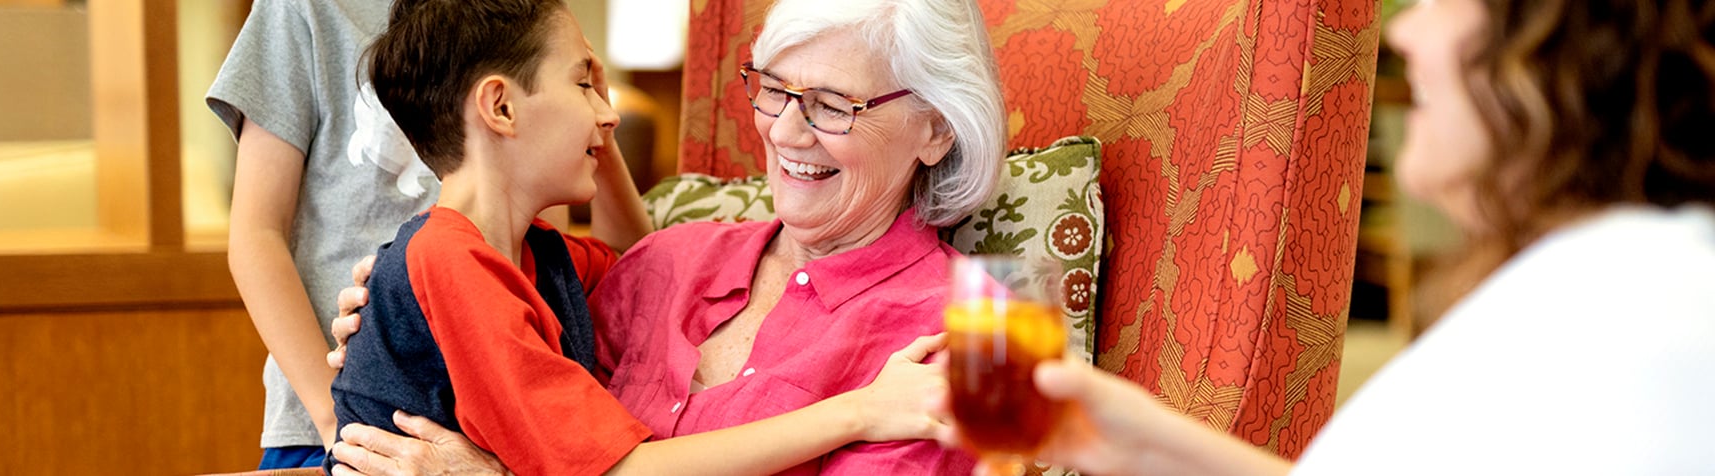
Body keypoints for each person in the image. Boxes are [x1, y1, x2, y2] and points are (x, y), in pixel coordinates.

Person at [982, 0, 1715, 474]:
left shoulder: (1642, 312)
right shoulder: (1602, 278)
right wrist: (1147, 439)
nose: (1401, 30)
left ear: (1560, 51)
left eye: (1442, 1)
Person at [324, 0, 1010, 474]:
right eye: (773, 89)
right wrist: (397, 313)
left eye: (833, 105)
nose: (785, 132)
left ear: (937, 128)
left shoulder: (978, 335)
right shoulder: (667, 259)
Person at [208, 0, 439, 468]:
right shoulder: (303, 10)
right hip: (328, 424)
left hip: (476, 426)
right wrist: (335, 422)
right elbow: (257, 234)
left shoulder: (513, 16)